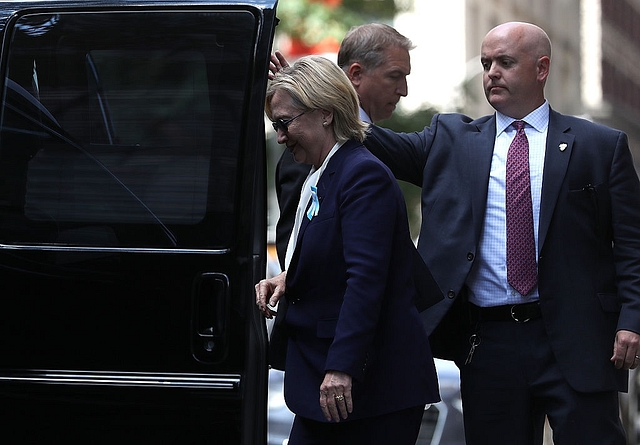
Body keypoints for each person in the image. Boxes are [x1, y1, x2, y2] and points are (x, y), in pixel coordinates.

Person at [363, 21, 640, 445]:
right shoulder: (450, 139)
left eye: (505, 63)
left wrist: (632, 321)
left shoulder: (600, 145)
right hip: (488, 343)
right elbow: (371, 142)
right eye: (486, 63)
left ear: (541, 68)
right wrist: (316, 92)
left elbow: (632, 245)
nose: (491, 72)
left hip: (579, 337)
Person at [255, 55, 440, 445]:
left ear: (324, 113)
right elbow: (338, 254)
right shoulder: (322, 173)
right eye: (276, 125)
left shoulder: (361, 173)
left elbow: (367, 278)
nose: (281, 136)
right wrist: (289, 277)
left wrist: (342, 368)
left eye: (285, 123)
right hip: (330, 378)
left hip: (368, 384)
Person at [270, 23, 414, 268]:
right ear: (356, 74)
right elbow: (293, 250)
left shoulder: (363, 146)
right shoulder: (307, 150)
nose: (403, 90)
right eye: (394, 76)